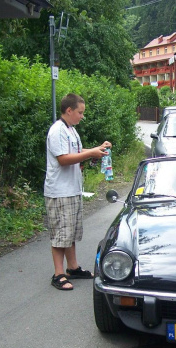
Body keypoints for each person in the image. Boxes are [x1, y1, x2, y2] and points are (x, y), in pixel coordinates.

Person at [45, 93, 111, 291]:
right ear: (69, 110)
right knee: (60, 233)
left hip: (73, 189)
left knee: (71, 232)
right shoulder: (57, 131)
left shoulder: (71, 130)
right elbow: (63, 159)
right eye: (80, 112)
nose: (82, 116)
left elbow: (77, 153)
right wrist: (90, 153)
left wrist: (97, 150)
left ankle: (73, 268)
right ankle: (58, 274)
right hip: (59, 191)